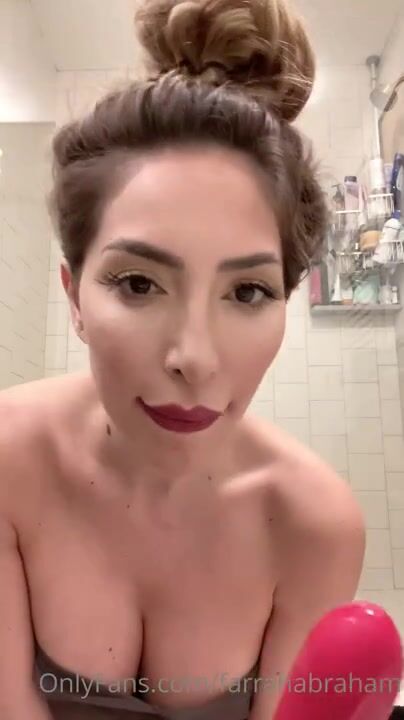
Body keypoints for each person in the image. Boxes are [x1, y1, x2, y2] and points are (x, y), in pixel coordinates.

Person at [0, 0, 366, 718]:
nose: (193, 358)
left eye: (248, 291)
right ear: (74, 296)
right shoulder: (9, 459)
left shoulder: (313, 525)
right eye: (139, 284)